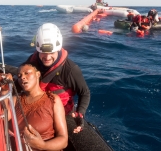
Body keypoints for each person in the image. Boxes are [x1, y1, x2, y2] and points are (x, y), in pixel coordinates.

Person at [25, 23, 113, 151]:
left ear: (59, 48)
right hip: (38, 110)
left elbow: (85, 92)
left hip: (63, 114)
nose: (47, 57)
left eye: (52, 52)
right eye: (43, 53)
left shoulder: (71, 69)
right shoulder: (32, 62)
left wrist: (80, 113)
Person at [0, 63, 68, 151]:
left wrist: (42, 145)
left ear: (38, 74)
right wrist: (5, 91)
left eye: (27, 73)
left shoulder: (52, 100)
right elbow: (2, 118)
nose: (22, 77)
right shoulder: (15, 99)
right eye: (19, 76)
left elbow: (63, 140)